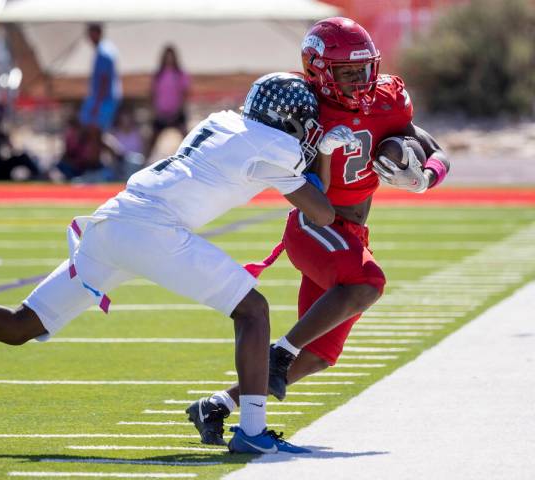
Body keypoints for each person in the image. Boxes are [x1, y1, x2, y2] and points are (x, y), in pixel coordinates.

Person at [0, 72, 360, 454]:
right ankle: (252, 432)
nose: (310, 130)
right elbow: (322, 212)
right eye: (305, 123)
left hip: (114, 219)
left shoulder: (223, 121)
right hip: (153, 227)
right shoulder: (271, 143)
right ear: (286, 119)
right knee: (252, 310)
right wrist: (328, 157)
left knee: (22, 324)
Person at [187, 17, 451, 446]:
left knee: (319, 355)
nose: (359, 80)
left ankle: (216, 405)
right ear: (318, 70)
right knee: (367, 283)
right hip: (316, 226)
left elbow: (432, 147)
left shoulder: (386, 98)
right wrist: (322, 155)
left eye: (364, 69)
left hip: (351, 232)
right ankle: (277, 354)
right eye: (347, 72)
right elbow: (306, 189)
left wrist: (425, 177)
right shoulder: (301, 106)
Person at [78, 23, 121, 172]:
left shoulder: (103, 52)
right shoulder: (105, 50)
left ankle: (105, 163)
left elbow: (103, 80)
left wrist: (97, 104)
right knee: (96, 134)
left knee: (95, 132)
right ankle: (114, 160)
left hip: (102, 100)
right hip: (102, 99)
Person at [146, 45, 190, 160]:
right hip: (161, 114)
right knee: (152, 139)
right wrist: (156, 111)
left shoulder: (180, 74)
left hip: (176, 113)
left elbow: (185, 93)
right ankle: (145, 161)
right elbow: (152, 93)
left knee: (188, 139)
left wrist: (179, 109)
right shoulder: (158, 75)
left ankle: (191, 159)